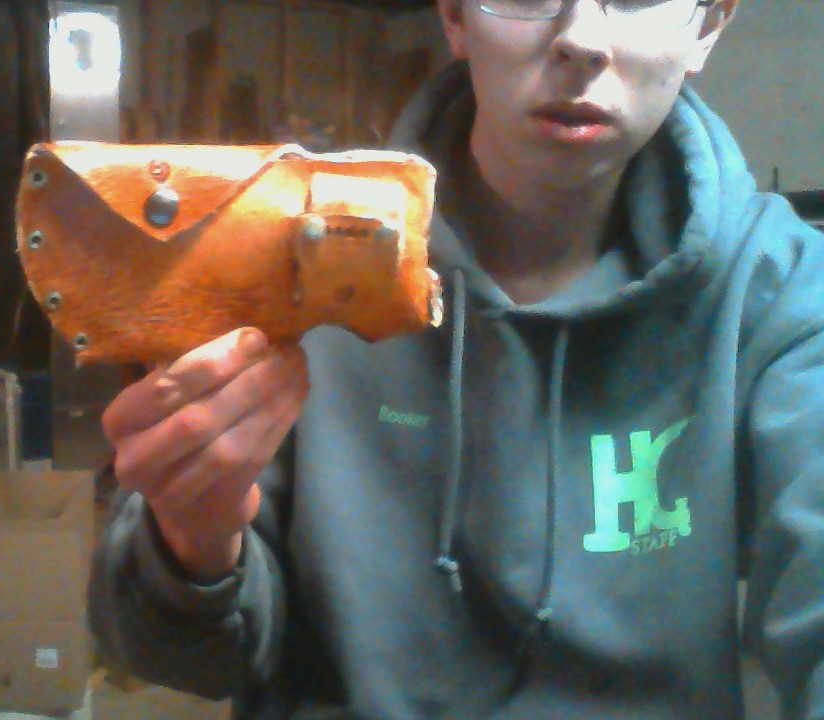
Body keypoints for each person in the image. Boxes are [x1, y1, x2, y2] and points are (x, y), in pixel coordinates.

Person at [87, 0, 824, 717]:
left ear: (709, 24)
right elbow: (180, 661)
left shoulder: (780, 289)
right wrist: (190, 539)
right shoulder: (293, 243)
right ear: (452, 16)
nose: (582, 38)